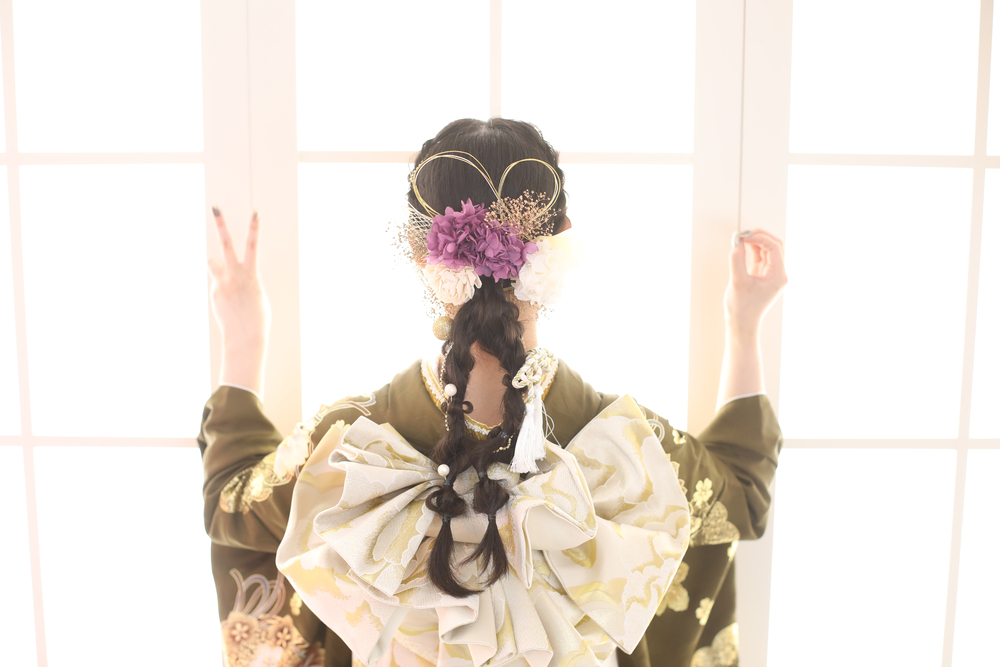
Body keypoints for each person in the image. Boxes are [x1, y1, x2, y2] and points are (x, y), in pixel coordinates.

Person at [198, 118, 786, 667]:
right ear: (561, 243)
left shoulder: (351, 446)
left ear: (422, 253)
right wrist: (744, 325)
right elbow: (743, 497)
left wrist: (244, 339)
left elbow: (232, 503)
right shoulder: (625, 449)